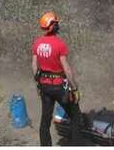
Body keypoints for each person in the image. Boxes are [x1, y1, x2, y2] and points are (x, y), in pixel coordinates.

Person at [32, 11, 81, 146]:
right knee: (76, 117)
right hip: (59, 87)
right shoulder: (59, 44)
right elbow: (66, 68)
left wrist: (38, 84)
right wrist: (75, 88)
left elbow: (34, 65)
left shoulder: (37, 43)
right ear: (52, 26)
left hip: (44, 87)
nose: (58, 25)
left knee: (45, 120)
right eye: (56, 23)